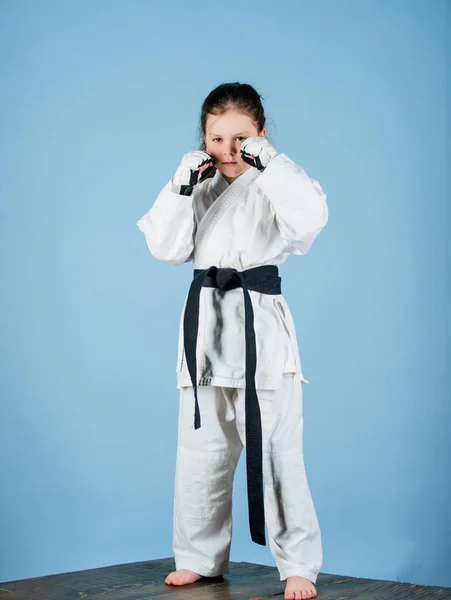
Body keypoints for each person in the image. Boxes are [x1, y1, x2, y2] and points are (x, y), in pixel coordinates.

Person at [137, 82, 328, 600]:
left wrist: (272, 163)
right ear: (203, 140)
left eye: (241, 137)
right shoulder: (197, 187)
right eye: (216, 138)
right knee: (200, 450)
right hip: (204, 330)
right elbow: (165, 246)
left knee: (277, 453)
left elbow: (309, 223)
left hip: (259, 329)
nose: (228, 150)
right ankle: (199, 557)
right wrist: (179, 185)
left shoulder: (275, 183)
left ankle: (298, 565)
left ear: (261, 136)